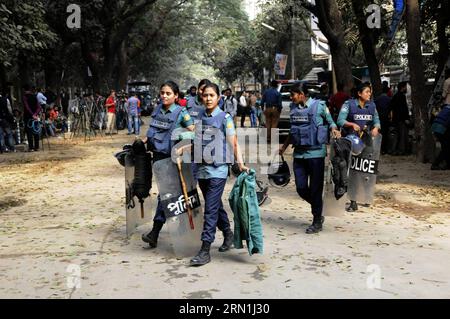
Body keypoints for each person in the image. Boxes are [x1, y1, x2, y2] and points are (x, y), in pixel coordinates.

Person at [190, 83, 249, 266]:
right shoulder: (199, 116)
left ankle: (205, 249)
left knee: (210, 209)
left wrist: (240, 163)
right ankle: (227, 232)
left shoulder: (225, 118)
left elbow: (234, 143)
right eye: (205, 95)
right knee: (214, 204)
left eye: (212, 95)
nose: (208, 99)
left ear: (218, 98)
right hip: (201, 169)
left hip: (218, 169)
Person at [279, 85, 340, 234]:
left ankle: (316, 220)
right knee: (301, 189)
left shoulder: (319, 106)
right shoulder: (293, 108)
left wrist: (333, 128)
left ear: (301, 94)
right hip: (299, 155)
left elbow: (331, 121)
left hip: (316, 155)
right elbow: (292, 131)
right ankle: (319, 209)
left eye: (293, 95)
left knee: (315, 189)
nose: (291, 98)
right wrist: (284, 147)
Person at [141, 81, 195, 248]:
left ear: (176, 96)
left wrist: (181, 141)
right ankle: (180, 227)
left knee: (165, 194)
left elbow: (195, 132)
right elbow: (155, 132)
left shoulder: (181, 112)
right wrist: (144, 140)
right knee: (168, 194)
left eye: (168, 93)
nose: (164, 95)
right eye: (162, 92)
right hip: (157, 159)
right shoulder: (157, 110)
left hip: (173, 159)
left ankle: (155, 231)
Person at [337, 82, 381, 212]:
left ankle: (366, 196)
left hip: (367, 142)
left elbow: (376, 120)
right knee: (353, 171)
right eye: (367, 91)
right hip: (351, 142)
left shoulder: (371, 106)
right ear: (359, 93)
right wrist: (351, 124)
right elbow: (340, 120)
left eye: (370, 92)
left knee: (366, 170)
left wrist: (376, 127)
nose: (369, 94)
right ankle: (353, 201)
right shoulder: (348, 104)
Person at [389, 82, 410, 155]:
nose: (406, 88)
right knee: (402, 135)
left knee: (396, 135)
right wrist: (406, 118)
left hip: (396, 119)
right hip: (401, 119)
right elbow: (404, 109)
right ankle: (401, 151)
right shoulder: (402, 96)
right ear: (402, 87)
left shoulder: (395, 96)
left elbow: (391, 107)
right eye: (405, 87)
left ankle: (393, 150)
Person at [431, 103, 450, 170]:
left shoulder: (446, 107)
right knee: (446, 148)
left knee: (446, 147)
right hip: (441, 128)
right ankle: (435, 164)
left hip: (435, 126)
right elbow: (448, 122)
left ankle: (447, 165)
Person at [23, 85, 42, 152]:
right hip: (35, 117)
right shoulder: (34, 96)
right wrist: (35, 114)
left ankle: (31, 147)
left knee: (29, 132)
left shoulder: (25, 97)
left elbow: (26, 107)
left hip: (28, 117)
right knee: (36, 131)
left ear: (24, 90)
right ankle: (37, 147)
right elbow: (39, 107)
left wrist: (32, 114)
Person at [375, 84, 392, 154]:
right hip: (385, 118)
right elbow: (391, 109)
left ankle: (379, 148)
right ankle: (384, 149)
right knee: (385, 134)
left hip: (379, 118)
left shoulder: (377, 99)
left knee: (379, 134)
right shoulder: (389, 99)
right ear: (387, 92)